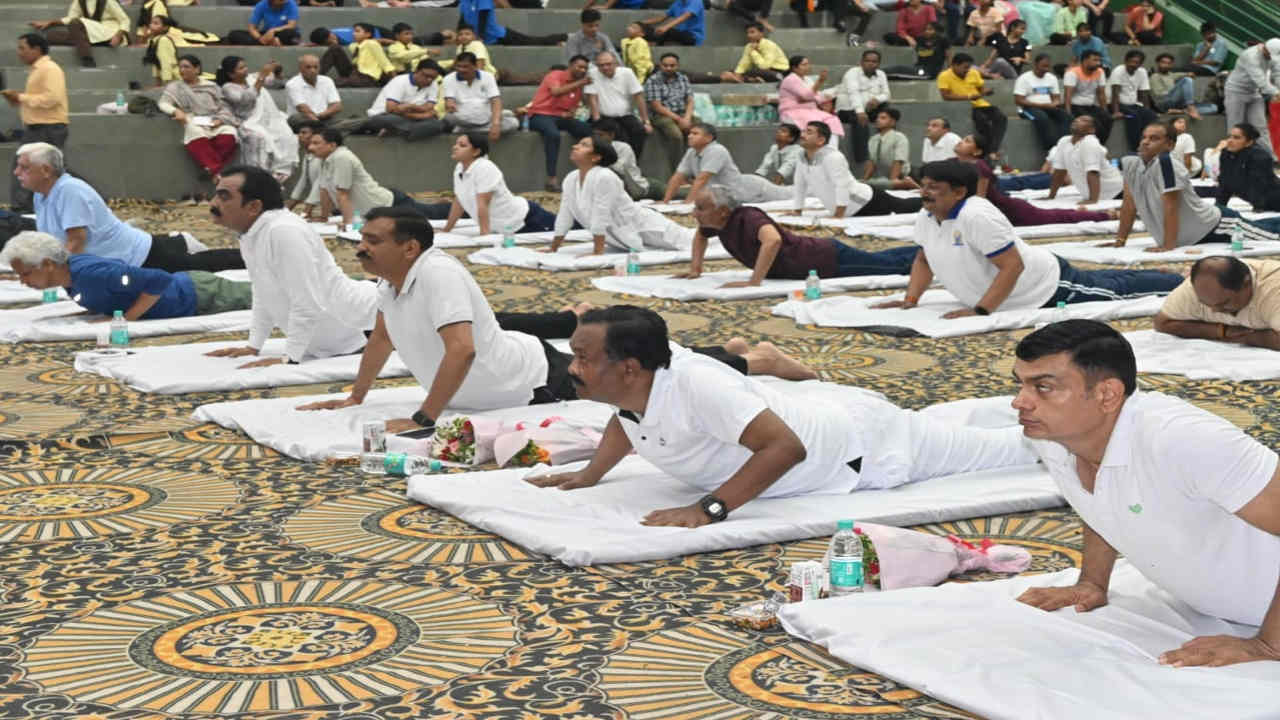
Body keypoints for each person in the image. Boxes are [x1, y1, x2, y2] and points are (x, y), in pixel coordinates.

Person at [527, 304, 1037, 527]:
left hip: (866, 449)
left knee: (1010, 450)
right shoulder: (639, 384)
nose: (572, 368)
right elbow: (627, 417)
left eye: (582, 358)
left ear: (630, 367)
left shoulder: (699, 386)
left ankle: (1077, 424)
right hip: (828, 412)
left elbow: (785, 449)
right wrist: (590, 474)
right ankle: (1011, 407)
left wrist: (709, 509)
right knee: (963, 424)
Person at [303, 212, 815, 424]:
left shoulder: (438, 274)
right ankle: (732, 353)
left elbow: (462, 349)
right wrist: (357, 395)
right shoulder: (390, 284)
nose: (361, 250)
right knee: (641, 367)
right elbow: (381, 340)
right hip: (494, 387)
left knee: (647, 376)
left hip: (531, 381)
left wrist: (424, 419)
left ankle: (755, 361)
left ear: (409, 248)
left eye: (372, 242)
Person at [1012, 319, 1280, 668]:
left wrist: (1269, 645)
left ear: (1107, 394)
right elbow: (1100, 499)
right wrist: (1092, 582)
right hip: (1234, 605)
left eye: (1043, 387)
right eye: (1020, 385)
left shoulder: (1184, 440)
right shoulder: (1056, 438)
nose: (1020, 402)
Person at [873, 160, 1180, 318]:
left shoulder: (976, 215)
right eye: (924, 185)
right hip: (1027, 284)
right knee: (1101, 278)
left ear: (958, 192)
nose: (925, 192)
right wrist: (911, 299)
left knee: (1116, 290)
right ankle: (1157, 274)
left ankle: (1177, 283)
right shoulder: (927, 215)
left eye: (934, 187)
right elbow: (924, 258)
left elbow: (1012, 266)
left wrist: (981, 311)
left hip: (1042, 288)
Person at [208, 165, 374, 367]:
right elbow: (263, 292)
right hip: (340, 332)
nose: (213, 203)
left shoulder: (284, 231)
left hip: (369, 323)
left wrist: (290, 358)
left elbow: (307, 302)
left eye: (224, 197)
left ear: (253, 207)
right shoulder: (250, 232)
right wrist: (253, 347)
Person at [16, 143, 244, 273]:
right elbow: (50, 239)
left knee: (199, 266)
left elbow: (76, 241)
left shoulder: (69, 190)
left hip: (135, 256)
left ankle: (248, 257)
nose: (17, 173)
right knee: (189, 261)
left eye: (24, 168)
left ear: (46, 170)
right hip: (119, 253)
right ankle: (179, 241)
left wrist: (54, 274)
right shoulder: (41, 194)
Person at [683, 185, 918, 285]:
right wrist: (696, 268)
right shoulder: (718, 223)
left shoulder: (748, 217)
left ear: (723, 211)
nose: (695, 214)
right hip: (811, 261)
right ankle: (924, 256)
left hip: (822, 259)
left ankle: (927, 258)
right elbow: (700, 236)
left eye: (700, 208)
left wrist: (754, 281)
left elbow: (772, 240)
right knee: (880, 260)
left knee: (886, 265)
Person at [1, 231, 252, 321]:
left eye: (25, 274)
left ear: (47, 264)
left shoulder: (93, 274)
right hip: (193, 293)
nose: (23, 281)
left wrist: (127, 320)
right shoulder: (69, 276)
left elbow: (159, 279)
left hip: (199, 293)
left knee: (272, 297)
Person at [1115, 123, 1280, 253]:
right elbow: (1129, 205)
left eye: (1154, 138)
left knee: (1270, 235)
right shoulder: (1131, 163)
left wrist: (1168, 246)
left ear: (1170, 145)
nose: (1145, 142)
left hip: (1215, 225)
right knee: (1259, 226)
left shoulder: (1167, 164)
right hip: (1201, 229)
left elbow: (1171, 206)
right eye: (1144, 137)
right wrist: (1120, 241)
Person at [550, 137, 693, 255]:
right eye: (578, 143)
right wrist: (554, 248)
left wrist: (597, 252)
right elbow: (565, 214)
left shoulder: (605, 176)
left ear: (596, 157)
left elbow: (601, 214)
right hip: (622, 234)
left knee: (694, 242)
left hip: (647, 226)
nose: (575, 146)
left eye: (584, 145)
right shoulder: (571, 178)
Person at [958, 134, 1116, 226]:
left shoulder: (979, 167)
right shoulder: (956, 163)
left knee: (1056, 217)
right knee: (1054, 214)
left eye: (967, 141)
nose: (960, 142)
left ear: (977, 151)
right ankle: (1082, 212)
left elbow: (980, 200)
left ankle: (1103, 216)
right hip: (1001, 209)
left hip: (1011, 211)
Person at [309, 129, 448, 228]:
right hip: (369, 209)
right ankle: (440, 204)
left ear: (332, 145)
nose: (310, 147)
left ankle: (461, 208)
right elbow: (324, 191)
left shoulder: (342, 157)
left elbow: (342, 194)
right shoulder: (324, 160)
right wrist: (324, 217)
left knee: (434, 214)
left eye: (316, 143)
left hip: (389, 205)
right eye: (311, 143)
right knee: (430, 210)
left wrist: (348, 223)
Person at [791, 121, 922, 219]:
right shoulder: (801, 156)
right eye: (803, 131)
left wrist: (838, 215)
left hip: (867, 201)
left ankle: (933, 198)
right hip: (847, 208)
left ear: (821, 140)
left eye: (808, 132)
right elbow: (800, 184)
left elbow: (841, 186)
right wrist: (797, 210)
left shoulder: (833, 157)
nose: (802, 135)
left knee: (907, 206)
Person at [442, 132, 556, 236]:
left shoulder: (485, 168)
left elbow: (483, 204)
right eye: (456, 144)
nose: (455, 147)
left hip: (527, 219)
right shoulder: (459, 168)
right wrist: (447, 230)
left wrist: (484, 235)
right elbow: (459, 201)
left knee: (571, 227)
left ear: (476, 151)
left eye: (462, 145)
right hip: (504, 227)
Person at [3, 34, 68, 213]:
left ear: (36, 49)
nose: (19, 53)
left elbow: (52, 99)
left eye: (23, 48)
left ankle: (23, 210)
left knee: (31, 169)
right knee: (40, 170)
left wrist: (21, 97)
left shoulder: (49, 69)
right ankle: (30, 209)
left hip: (47, 128)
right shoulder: (38, 69)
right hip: (39, 128)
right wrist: (18, 99)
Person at [1153, 256, 1280, 348]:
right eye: (1206, 304)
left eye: (1224, 303)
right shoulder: (1194, 289)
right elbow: (1162, 322)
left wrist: (1249, 337)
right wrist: (1219, 331)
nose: (1215, 310)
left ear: (1246, 283)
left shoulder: (1273, 288)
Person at [662, 122, 791, 204]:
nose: (690, 136)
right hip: (721, 194)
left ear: (709, 138)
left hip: (753, 189)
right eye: (690, 133)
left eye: (695, 134)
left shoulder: (717, 150)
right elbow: (678, 176)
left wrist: (688, 203)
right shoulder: (691, 152)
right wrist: (665, 201)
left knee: (792, 194)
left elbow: (702, 179)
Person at [158, 55, 240, 182]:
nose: (182, 70)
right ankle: (216, 170)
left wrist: (221, 119)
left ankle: (210, 169)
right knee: (194, 131)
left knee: (231, 133)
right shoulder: (175, 87)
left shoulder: (211, 86)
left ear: (197, 69)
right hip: (192, 119)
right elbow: (163, 103)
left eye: (186, 67)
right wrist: (176, 111)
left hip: (213, 120)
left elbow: (224, 105)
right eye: (180, 67)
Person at [217, 56, 293, 182]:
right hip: (248, 122)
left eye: (245, 66)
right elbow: (246, 99)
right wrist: (262, 76)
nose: (245, 70)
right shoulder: (228, 88)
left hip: (268, 119)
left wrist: (277, 71)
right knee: (258, 137)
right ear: (231, 74)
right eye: (241, 68)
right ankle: (259, 176)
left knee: (288, 135)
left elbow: (276, 82)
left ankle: (278, 176)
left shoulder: (252, 78)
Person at [527, 55, 592, 192]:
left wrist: (571, 113)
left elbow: (574, 105)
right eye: (579, 66)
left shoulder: (579, 85)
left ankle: (589, 173)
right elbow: (556, 91)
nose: (582, 70)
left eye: (585, 68)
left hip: (559, 117)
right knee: (553, 135)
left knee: (586, 129)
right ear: (570, 65)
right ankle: (552, 179)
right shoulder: (555, 75)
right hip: (540, 115)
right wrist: (581, 83)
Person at [937, 53, 1006, 169]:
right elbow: (946, 96)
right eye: (964, 67)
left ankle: (993, 150)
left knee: (1001, 117)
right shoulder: (944, 76)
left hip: (981, 104)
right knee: (984, 122)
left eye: (969, 67)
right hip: (965, 106)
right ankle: (988, 153)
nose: (967, 70)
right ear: (954, 65)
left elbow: (981, 89)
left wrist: (986, 92)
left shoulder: (973, 73)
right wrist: (969, 97)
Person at [586, 51, 653, 159]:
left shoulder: (627, 73)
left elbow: (639, 96)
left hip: (625, 115)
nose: (605, 68)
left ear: (616, 63)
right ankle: (618, 167)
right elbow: (592, 99)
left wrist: (646, 121)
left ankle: (632, 164)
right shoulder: (592, 73)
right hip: (604, 116)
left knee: (640, 131)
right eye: (601, 65)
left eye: (608, 64)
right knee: (620, 136)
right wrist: (597, 121)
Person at [360, 59, 446, 142]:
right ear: (417, 71)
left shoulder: (433, 84)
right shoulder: (400, 81)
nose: (429, 80)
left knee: (438, 125)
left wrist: (409, 106)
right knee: (388, 120)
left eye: (433, 78)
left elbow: (429, 108)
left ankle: (397, 131)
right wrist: (422, 113)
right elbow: (391, 109)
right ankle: (405, 131)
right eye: (426, 76)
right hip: (384, 115)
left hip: (408, 119)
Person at [29, 0, 130, 68]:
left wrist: (118, 35)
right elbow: (70, 17)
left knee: (75, 24)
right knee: (51, 36)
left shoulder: (109, 1)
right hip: (90, 33)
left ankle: (87, 58)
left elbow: (125, 19)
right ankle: (84, 42)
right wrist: (50, 22)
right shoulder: (79, 1)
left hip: (109, 33)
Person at [1224, 39, 1280, 160]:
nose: (1271, 58)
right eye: (1269, 55)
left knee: (1261, 127)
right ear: (1264, 48)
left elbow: (1278, 74)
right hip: (1235, 91)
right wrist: (1277, 93)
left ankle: (1270, 159)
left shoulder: (1275, 55)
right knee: (1235, 126)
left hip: (1254, 93)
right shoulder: (1250, 55)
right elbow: (1261, 82)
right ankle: (1233, 158)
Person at [1047, 115, 1124, 205]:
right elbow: (1060, 171)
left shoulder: (1090, 142)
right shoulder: (1064, 141)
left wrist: (1092, 200)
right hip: (1094, 194)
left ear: (1091, 130)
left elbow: (1093, 172)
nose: (1076, 120)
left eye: (1083, 120)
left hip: (1116, 192)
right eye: (1077, 119)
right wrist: (1051, 196)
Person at [442, 52, 516, 141]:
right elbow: (449, 100)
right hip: (463, 119)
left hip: (486, 117)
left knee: (513, 123)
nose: (461, 70)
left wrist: (495, 124)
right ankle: (471, 129)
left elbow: (495, 100)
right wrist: (450, 104)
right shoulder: (448, 79)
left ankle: (465, 131)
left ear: (475, 66)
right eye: (458, 66)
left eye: (465, 67)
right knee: (449, 117)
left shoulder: (488, 77)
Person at [835, 50, 889, 167]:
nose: (870, 64)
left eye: (874, 61)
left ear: (878, 63)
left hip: (869, 107)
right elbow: (853, 93)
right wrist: (860, 112)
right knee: (860, 121)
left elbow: (886, 94)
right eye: (867, 61)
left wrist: (877, 99)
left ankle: (888, 147)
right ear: (861, 62)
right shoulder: (852, 73)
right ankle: (862, 159)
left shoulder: (881, 74)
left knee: (890, 114)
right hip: (848, 109)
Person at [645, 53, 697, 169]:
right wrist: (680, 120)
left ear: (677, 66)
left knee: (702, 130)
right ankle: (679, 171)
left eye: (672, 65)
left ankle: (698, 167)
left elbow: (690, 100)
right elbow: (657, 106)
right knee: (676, 135)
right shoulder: (653, 80)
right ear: (660, 65)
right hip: (661, 116)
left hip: (682, 113)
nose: (668, 68)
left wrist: (687, 118)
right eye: (665, 65)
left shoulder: (683, 78)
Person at [594, 119, 664, 201]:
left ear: (611, 135)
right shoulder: (593, 150)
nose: (596, 139)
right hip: (623, 190)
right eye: (594, 135)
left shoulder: (623, 148)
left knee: (677, 193)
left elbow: (618, 170)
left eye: (600, 135)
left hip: (642, 186)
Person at [1015, 54, 1071, 155]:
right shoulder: (1024, 78)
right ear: (1035, 65)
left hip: (1047, 107)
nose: (1046, 69)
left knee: (1066, 116)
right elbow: (1019, 100)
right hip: (1027, 109)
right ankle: (1049, 148)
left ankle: (1064, 145)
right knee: (1042, 118)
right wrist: (1041, 106)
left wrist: (1054, 104)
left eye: (1048, 66)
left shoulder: (1051, 78)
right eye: (1043, 66)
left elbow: (1057, 98)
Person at [1217, 123, 1280, 212]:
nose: (1230, 140)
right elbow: (1224, 181)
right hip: (1257, 200)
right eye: (1230, 136)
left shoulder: (1260, 156)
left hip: (1274, 200)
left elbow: (1259, 184)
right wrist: (1219, 205)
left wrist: (1258, 208)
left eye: (1236, 138)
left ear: (1249, 142)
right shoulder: (1226, 153)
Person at [778, 55, 843, 139]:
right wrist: (820, 81)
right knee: (817, 125)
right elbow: (806, 96)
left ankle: (830, 149)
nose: (807, 67)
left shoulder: (807, 79)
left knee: (832, 120)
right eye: (804, 65)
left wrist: (829, 95)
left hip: (811, 110)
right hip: (792, 112)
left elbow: (816, 97)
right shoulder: (790, 79)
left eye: (808, 64)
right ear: (794, 68)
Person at [314, 22, 395, 87]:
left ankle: (324, 82)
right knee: (335, 48)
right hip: (354, 73)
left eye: (357, 31)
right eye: (354, 31)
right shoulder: (354, 45)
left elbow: (384, 63)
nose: (353, 34)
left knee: (332, 82)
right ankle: (314, 75)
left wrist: (394, 80)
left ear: (368, 34)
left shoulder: (372, 44)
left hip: (367, 78)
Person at [459, 0, 568, 47]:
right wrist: (459, 35)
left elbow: (483, 16)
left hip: (498, 35)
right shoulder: (464, 1)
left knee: (532, 41)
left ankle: (564, 37)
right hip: (485, 37)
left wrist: (480, 37)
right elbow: (462, 19)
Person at [1109, 50, 1156, 153]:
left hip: (1133, 104)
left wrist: (1146, 110)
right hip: (1116, 104)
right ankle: (1135, 148)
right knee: (1133, 116)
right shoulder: (1118, 71)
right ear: (1125, 61)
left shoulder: (1142, 72)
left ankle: (1146, 142)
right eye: (1131, 61)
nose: (1133, 64)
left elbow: (1144, 93)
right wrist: (1116, 111)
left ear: (1140, 64)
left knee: (1151, 115)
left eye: (1137, 62)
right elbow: (1115, 93)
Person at [1064, 49, 1112, 145]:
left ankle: (1100, 146)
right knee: (1095, 124)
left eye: (1099, 60)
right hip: (1076, 106)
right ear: (1085, 61)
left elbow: (1101, 93)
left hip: (1091, 106)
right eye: (1095, 60)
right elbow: (1067, 95)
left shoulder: (1100, 72)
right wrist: (1068, 113)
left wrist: (1105, 110)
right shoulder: (1072, 73)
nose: (1098, 63)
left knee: (1108, 118)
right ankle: (1093, 146)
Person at [285, 55, 343, 131]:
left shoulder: (327, 81)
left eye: (316, 67)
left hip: (323, 118)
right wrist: (316, 119)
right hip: (303, 119)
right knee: (296, 119)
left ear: (319, 68)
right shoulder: (292, 84)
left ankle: (323, 129)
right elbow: (303, 109)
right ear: (300, 69)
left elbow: (337, 106)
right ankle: (328, 129)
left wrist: (321, 115)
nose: (312, 70)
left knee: (357, 122)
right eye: (308, 67)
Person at [721, 22, 788, 84]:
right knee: (732, 71)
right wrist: (737, 74)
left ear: (761, 33)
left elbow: (765, 66)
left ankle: (748, 79)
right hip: (761, 72)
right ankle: (752, 79)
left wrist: (753, 52)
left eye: (752, 32)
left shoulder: (769, 45)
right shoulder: (749, 46)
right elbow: (744, 63)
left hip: (778, 72)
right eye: (747, 33)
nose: (749, 35)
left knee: (756, 72)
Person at [1151, 53, 1211, 120]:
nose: (1166, 65)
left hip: (1176, 104)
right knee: (1187, 80)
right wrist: (1179, 94)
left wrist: (1188, 74)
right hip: (1163, 103)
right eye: (1163, 62)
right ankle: (1190, 107)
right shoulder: (1155, 76)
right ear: (1157, 63)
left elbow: (1181, 74)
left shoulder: (1171, 75)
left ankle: (1182, 111)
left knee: (1213, 108)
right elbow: (1160, 95)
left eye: (1169, 63)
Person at [864, 108, 914, 189]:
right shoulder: (873, 139)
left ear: (892, 122)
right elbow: (871, 162)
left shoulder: (899, 138)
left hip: (901, 178)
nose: (878, 120)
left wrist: (891, 183)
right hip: (883, 179)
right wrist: (864, 181)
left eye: (883, 118)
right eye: (878, 118)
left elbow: (898, 162)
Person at [225, 0, 300, 46]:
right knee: (234, 34)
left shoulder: (291, 3)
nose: (283, 1)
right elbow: (252, 27)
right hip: (266, 34)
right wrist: (260, 39)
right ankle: (270, 42)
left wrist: (273, 30)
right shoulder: (262, 5)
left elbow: (291, 25)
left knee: (291, 34)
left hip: (283, 32)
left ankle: (271, 41)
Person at [287, 122, 323, 216]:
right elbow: (302, 181)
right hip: (316, 202)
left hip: (329, 205)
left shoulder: (322, 157)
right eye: (299, 133)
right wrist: (290, 204)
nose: (299, 136)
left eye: (304, 133)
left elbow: (319, 183)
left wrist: (306, 211)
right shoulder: (307, 156)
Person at [640, 0, 705, 46]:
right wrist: (641, 23)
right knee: (646, 30)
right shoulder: (677, 3)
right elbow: (661, 18)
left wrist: (666, 27)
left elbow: (686, 15)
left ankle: (654, 44)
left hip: (693, 37)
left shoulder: (696, 1)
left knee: (668, 31)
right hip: (679, 34)